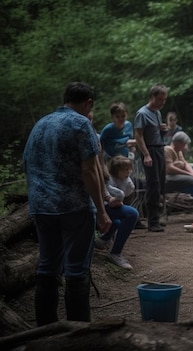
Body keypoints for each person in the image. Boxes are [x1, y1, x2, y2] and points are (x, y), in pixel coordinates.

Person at [23, 82, 112, 326]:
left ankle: (46, 330)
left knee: (47, 267)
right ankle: (78, 332)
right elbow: (90, 171)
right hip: (73, 207)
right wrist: (103, 211)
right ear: (88, 103)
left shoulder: (41, 124)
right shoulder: (81, 123)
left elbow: (28, 164)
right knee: (75, 270)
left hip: (41, 207)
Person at [134, 84, 169, 232]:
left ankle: (157, 217)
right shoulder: (142, 113)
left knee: (160, 183)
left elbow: (154, 132)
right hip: (150, 150)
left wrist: (162, 130)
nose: (162, 103)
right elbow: (138, 136)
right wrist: (146, 154)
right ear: (152, 97)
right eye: (159, 99)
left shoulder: (157, 113)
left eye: (164, 100)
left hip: (160, 148)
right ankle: (152, 221)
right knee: (153, 184)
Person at [95, 156, 139, 269]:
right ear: (115, 170)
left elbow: (129, 190)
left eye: (129, 169)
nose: (128, 172)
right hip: (101, 207)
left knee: (118, 221)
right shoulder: (109, 178)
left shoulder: (126, 179)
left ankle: (104, 240)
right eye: (124, 169)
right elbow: (108, 191)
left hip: (113, 206)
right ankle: (115, 253)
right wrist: (117, 197)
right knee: (132, 214)